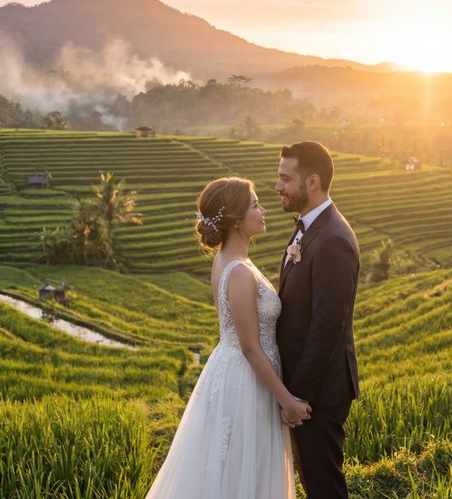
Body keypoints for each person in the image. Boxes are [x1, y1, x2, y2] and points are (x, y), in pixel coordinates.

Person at [146, 176, 310, 498]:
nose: (263, 210)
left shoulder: (232, 262)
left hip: (241, 374)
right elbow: (250, 347)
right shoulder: (238, 271)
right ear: (236, 220)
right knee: (243, 472)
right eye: (255, 205)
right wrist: (287, 401)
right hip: (247, 382)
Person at [275, 141, 361, 498]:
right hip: (307, 389)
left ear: (311, 182)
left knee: (324, 486)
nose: (277, 186)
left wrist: (298, 398)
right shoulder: (308, 227)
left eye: (284, 178)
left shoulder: (333, 240)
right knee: (315, 482)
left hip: (319, 393)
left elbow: (328, 326)